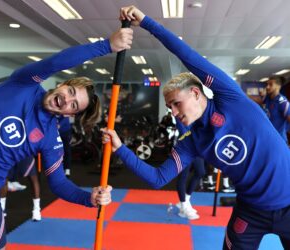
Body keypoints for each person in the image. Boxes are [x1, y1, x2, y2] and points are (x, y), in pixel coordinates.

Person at [102, 6, 290, 249]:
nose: (175, 113)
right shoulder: (191, 141)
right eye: (170, 107)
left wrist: (147, 23)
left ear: (195, 92)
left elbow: (188, 56)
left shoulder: (231, 99)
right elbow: (158, 178)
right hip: (251, 212)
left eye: (177, 104)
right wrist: (120, 149)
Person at [0, 27, 133, 250]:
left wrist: (88, 198)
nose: (66, 100)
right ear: (62, 84)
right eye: (70, 91)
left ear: (70, 115)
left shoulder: (51, 139)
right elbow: (55, 63)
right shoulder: (24, 83)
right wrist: (106, 46)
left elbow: (58, 183)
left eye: (74, 105)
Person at [0, 156, 42, 221]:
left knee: (33, 178)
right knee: (4, 178)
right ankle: (1, 209)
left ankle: (36, 209)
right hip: (10, 153)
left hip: (24, 152)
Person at [252, 76, 290, 143]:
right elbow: (255, 101)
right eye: (267, 84)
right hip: (268, 137)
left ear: (278, 86)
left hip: (279, 140)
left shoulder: (282, 102)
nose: (267, 87)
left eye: (271, 84)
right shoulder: (267, 98)